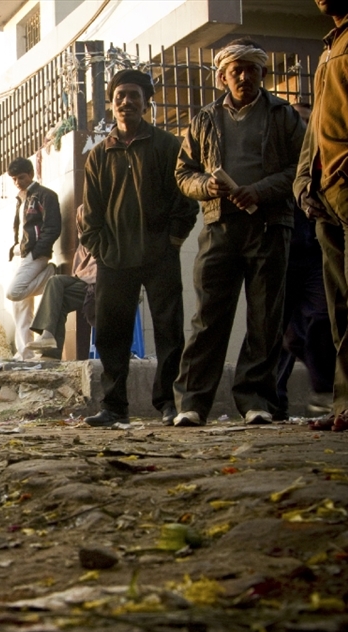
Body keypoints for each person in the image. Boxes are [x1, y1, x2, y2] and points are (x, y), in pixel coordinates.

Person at [173, 39, 306, 427]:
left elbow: (301, 166)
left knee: (265, 317)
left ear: (263, 73)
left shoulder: (283, 114)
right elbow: (183, 173)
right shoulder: (204, 118)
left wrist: (261, 190)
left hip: (269, 224)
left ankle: (255, 401)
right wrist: (205, 186)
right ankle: (192, 404)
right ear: (222, 77)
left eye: (251, 69)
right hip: (219, 225)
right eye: (237, 71)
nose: (244, 76)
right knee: (208, 316)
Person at [79, 69, 198, 428]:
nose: (126, 102)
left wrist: (173, 241)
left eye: (134, 95)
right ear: (111, 103)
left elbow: (185, 201)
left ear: (146, 102)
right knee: (112, 335)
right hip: (114, 259)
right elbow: (90, 212)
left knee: (168, 330)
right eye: (120, 96)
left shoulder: (167, 146)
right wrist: (99, 249)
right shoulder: (99, 155)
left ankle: (169, 404)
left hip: (159, 256)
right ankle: (114, 407)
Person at [294, 0, 348, 432]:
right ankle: (347, 405)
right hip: (324, 195)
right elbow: (317, 126)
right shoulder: (330, 46)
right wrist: (304, 181)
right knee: (339, 308)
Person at [276, 103, 335, 419]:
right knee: (283, 334)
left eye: (306, 122)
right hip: (283, 253)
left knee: (319, 323)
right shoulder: (279, 162)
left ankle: (325, 391)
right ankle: (275, 400)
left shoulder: (323, 160)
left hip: (315, 255)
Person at [4, 157, 62, 360]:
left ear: (31, 174)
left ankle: (50, 274)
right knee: (20, 307)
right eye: (14, 179)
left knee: (14, 292)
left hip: (34, 254)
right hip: (21, 254)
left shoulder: (45, 195)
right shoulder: (21, 199)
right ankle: (25, 353)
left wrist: (38, 252)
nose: (18, 182)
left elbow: (53, 227)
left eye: (21, 177)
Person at [26, 212, 98, 360]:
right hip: (84, 284)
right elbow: (79, 273)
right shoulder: (83, 246)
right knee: (55, 282)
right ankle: (48, 336)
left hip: (101, 286)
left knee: (61, 298)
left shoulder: (101, 239)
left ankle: (51, 352)